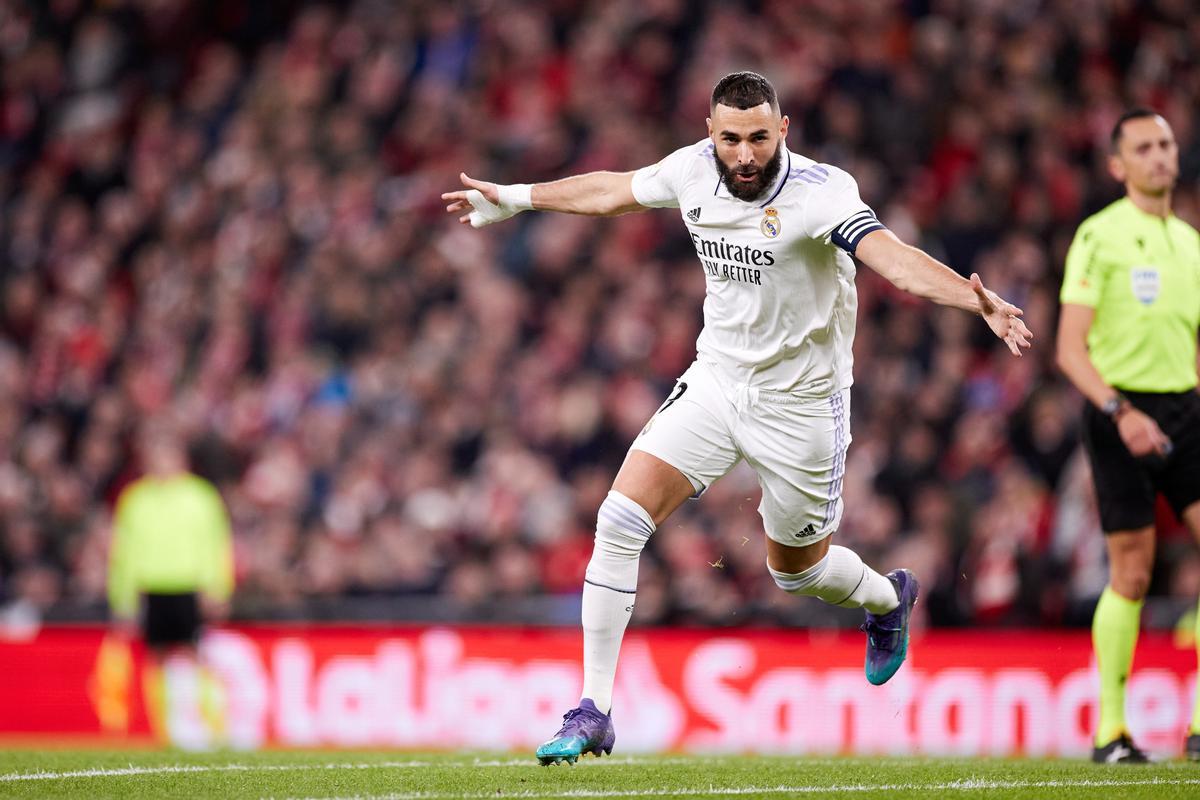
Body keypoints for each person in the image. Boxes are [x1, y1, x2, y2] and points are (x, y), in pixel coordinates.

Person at [444, 71, 1032, 765]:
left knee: (797, 572)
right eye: (731, 139)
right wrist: (516, 197)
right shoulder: (693, 171)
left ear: (783, 130)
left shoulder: (822, 194)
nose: (745, 154)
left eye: (759, 137)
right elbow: (613, 189)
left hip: (803, 406)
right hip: (719, 382)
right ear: (710, 133)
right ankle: (594, 707)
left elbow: (893, 263)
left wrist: (977, 304)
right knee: (618, 521)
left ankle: (885, 598)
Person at [1056, 108, 1200, 764]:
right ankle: (1110, 732)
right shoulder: (1099, 237)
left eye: (1165, 145)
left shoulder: (1191, 243)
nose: (1159, 156)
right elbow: (1068, 349)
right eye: (1143, 147)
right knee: (1134, 574)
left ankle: (1198, 727)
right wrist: (1121, 411)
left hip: (1185, 408)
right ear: (1118, 165)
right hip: (1119, 413)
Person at [107, 420, 234, 749]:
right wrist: (123, 598)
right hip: (152, 587)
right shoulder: (135, 500)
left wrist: (218, 587)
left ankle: (210, 725)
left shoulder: (201, 497)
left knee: (196, 655)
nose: (160, 460)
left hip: (190, 585)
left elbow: (216, 545)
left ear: (180, 457)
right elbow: (124, 552)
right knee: (157, 658)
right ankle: (166, 730)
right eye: (154, 454)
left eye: (166, 453)